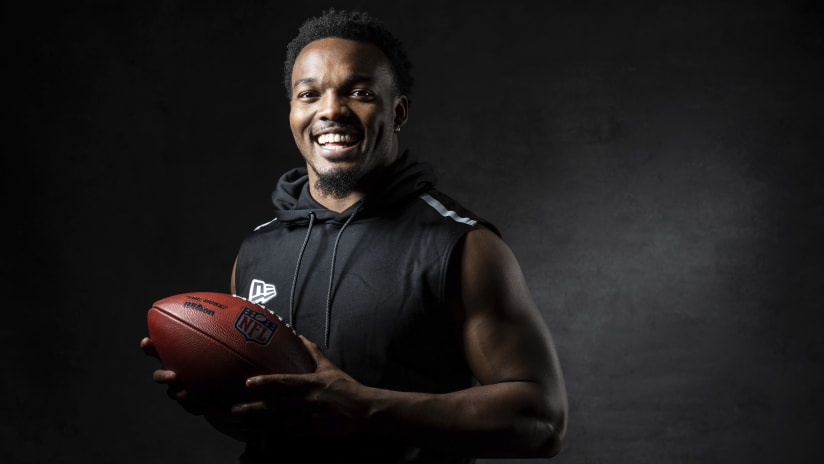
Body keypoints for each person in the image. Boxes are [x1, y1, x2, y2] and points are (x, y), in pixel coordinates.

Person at [140, 8, 568, 463]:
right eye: (309, 94)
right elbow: (271, 420)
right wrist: (215, 391)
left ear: (397, 111)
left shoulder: (461, 247)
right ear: (292, 111)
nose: (331, 111)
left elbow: (541, 423)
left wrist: (365, 408)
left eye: (359, 92)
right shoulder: (257, 250)